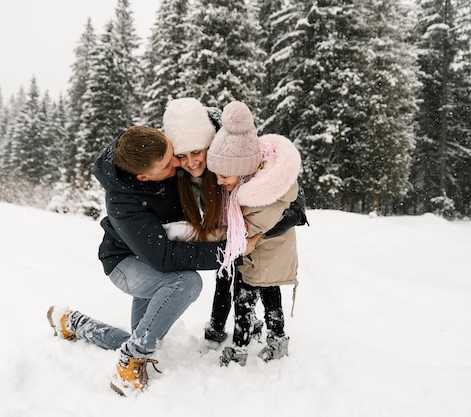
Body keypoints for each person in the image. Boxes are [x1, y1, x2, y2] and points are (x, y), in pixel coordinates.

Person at [47, 126, 257, 396]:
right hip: (127, 263)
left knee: (141, 336)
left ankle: (73, 322)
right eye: (170, 164)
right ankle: (130, 364)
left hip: (154, 260)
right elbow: (165, 258)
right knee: (186, 283)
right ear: (144, 177)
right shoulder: (122, 201)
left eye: (175, 154)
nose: (180, 163)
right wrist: (231, 251)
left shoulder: (152, 146)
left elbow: (219, 129)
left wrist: (289, 195)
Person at [162, 97, 307, 351]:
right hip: (225, 232)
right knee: (225, 275)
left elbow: (285, 195)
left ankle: (249, 332)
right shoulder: (179, 176)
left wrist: (258, 235)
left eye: (197, 152)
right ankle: (218, 327)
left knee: (252, 281)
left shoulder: (233, 155)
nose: (192, 161)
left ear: (210, 143)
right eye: (181, 155)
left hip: (251, 234)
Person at [206, 101, 301, 366]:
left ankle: (238, 349)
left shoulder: (263, 195)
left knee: (244, 300)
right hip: (269, 255)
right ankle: (278, 339)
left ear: (243, 171)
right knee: (271, 295)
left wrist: (234, 238)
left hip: (262, 254)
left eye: (224, 175)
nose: (219, 181)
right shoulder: (254, 184)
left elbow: (249, 232)